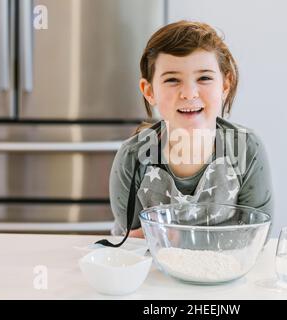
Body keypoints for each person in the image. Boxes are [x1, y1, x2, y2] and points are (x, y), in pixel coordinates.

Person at [110, 20, 273, 239]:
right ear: (149, 91)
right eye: (172, 80)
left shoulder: (247, 149)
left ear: (225, 85)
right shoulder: (132, 158)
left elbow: (256, 235)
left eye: (204, 78)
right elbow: (134, 243)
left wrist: (177, 239)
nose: (189, 93)